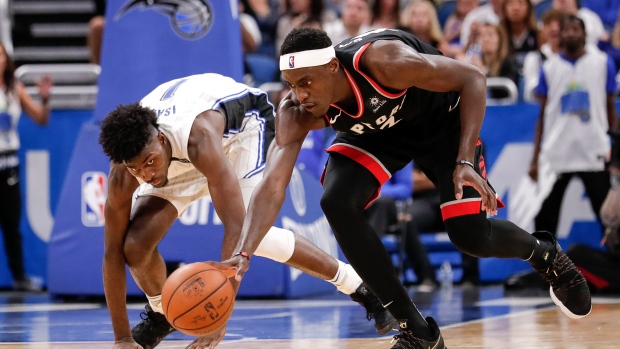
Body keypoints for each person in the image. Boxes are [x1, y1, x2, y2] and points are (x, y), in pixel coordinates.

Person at [224, 27, 592, 349]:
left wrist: (464, 160)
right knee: (336, 200)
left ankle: (545, 255)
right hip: (378, 137)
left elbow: (473, 78)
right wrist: (243, 252)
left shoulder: (385, 61)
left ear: (332, 66)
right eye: (291, 85)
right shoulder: (296, 111)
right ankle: (416, 331)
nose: (299, 95)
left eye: (306, 82)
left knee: (470, 237)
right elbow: (272, 185)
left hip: (441, 126)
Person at [98, 73, 396, 349]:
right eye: (135, 168)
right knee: (135, 245)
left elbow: (236, 230)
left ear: (161, 141)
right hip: (180, 151)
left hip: (241, 131)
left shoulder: (199, 139)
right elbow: (112, 254)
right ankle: (163, 313)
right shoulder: (128, 170)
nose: (145, 174)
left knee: (255, 236)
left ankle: (360, 288)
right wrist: (122, 337)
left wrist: (220, 315)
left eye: (149, 162)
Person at [529, 15, 618, 240]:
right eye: (565, 29)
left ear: (585, 34)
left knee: (611, 217)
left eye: (575, 29)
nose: (570, 33)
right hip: (557, 152)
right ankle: (546, 271)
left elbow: (610, 108)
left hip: (594, 150)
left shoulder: (602, 63)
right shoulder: (549, 68)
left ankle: (614, 266)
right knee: (545, 219)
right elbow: (542, 116)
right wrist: (535, 159)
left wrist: (615, 151)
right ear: (559, 35)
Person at [0, 42, 51, 292]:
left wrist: (45, 99)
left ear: (6, 59)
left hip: (8, 163)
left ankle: (19, 277)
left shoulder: (14, 89)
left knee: (11, 223)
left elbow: (41, 119)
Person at [522, 8, 563, 102]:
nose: (554, 29)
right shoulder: (534, 58)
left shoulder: (572, 57)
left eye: (559, 25)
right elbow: (531, 90)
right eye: (549, 25)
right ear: (543, 30)